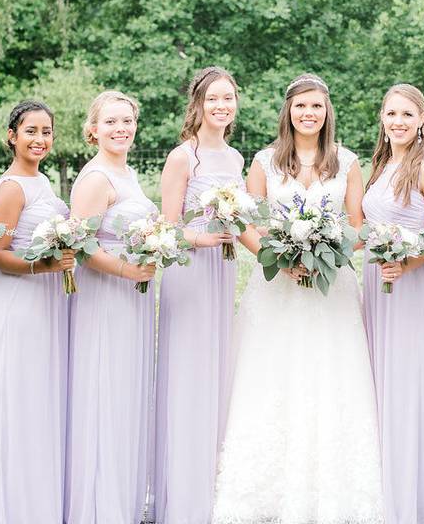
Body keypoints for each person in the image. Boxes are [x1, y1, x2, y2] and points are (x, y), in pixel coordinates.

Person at [212, 74, 383, 523]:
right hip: (277, 288)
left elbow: (357, 223)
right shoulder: (265, 161)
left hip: (332, 291)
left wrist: (328, 249)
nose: (309, 114)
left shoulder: (346, 162)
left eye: (317, 107)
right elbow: (248, 222)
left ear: (328, 113)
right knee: (273, 375)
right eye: (301, 106)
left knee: (330, 375)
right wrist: (281, 256)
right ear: (288, 111)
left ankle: (330, 491)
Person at [154, 67, 247, 524]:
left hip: (222, 271)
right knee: (188, 372)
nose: (221, 106)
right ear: (198, 104)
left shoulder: (234, 159)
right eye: (213, 99)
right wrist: (204, 239)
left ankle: (211, 489)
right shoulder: (182, 158)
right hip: (189, 270)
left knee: (216, 369)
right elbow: (167, 228)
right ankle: (183, 499)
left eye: (228, 98)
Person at [0, 100, 74, 523]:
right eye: (31, 131)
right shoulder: (10, 188)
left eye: (46, 131)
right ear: (12, 137)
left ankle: (34, 503)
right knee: (12, 399)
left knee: (36, 400)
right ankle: (5, 508)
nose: (40, 139)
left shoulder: (44, 182)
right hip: (14, 301)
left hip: (44, 302)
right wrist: (45, 265)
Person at [65, 90, 158, 524]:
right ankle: (99, 508)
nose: (121, 128)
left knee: (126, 388)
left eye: (128, 121)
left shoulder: (127, 173)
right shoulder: (96, 178)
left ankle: (120, 499)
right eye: (111, 122)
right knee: (104, 388)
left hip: (132, 298)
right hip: (105, 296)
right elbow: (80, 245)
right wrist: (126, 271)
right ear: (93, 130)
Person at [361, 83, 424, 524]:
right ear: (382, 118)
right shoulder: (378, 166)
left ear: (421, 122)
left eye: (407, 115)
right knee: (380, 384)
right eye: (391, 113)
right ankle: (384, 489)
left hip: (412, 288)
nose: (398, 122)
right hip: (376, 288)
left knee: (411, 387)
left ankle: (417, 499)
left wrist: (409, 262)